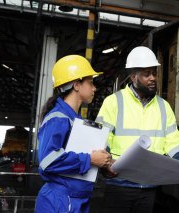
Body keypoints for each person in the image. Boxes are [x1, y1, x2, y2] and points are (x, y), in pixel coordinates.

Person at [96, 46, 179, 213]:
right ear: (133, 76)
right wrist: (106, 165)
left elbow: (173, 143)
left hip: (149, 188)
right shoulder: (113, 102)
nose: (153, 78)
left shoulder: (164, 107)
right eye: (146, 74)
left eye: (154, 73)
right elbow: (100, 140)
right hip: (119, 185)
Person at [35, 55, 112, 213]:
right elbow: (47, 161)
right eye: (90, 83)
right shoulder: (58, 118)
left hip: (76, 199)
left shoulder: (76, 120)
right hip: (60, 201)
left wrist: (105, 164)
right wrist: (90, 159)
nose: (94, 88)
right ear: (77, 85)